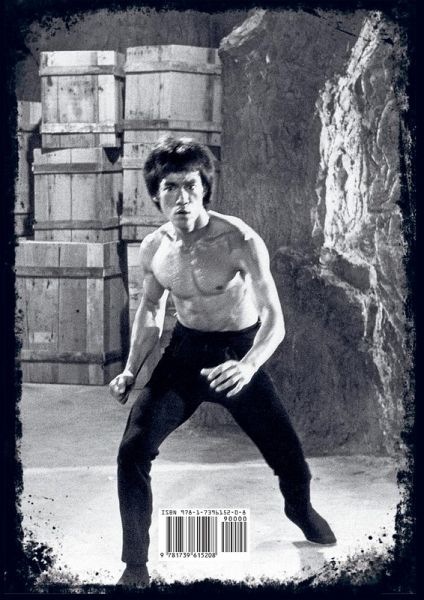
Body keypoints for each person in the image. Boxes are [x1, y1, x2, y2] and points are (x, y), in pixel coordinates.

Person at [109, 137, 336, 587]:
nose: (182, 197)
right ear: (155, 195)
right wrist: (132, 369)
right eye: (170, 187)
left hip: (237, 353)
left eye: (191, 185)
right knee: (132, 451)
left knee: (289, 456)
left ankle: (300, 508)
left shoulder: (239, 239)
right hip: (184, 355)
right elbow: (151, 309)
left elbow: (274, 319)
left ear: (205, 189)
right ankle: (135, 565)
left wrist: (248, 366)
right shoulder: (154, 248)